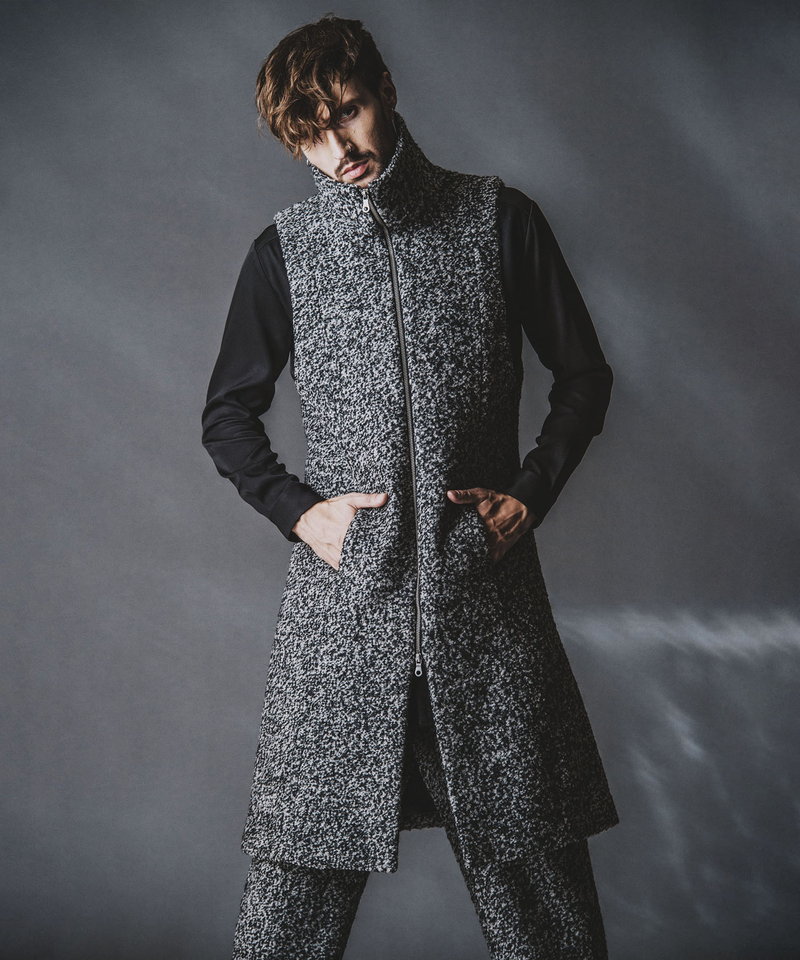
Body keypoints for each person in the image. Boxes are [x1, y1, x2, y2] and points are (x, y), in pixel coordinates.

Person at [201, 14, 620, 960]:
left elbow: (584, 377)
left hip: (484, 604)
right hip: (346, 617)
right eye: (311, 134)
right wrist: (300, 514)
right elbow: (227, 415)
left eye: (347, 112)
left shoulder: (498, 219)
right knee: (286, 919)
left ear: (386, 91)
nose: (338, 148)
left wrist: (531, 492)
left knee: (546, 914)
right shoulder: (285, 251)